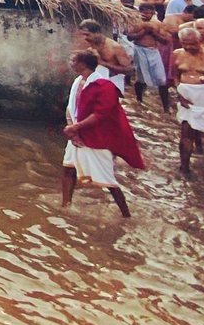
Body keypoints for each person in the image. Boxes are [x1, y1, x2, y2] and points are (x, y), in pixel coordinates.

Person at [61, 50, 145, 218]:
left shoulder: (105, 86)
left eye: (73, 60)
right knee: (68, 170)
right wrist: (73, 129)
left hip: (97, 139)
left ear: (82, 64)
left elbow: (101, 115)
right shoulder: (78, 81)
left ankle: (126, 216)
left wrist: (76, 128)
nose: (71, 63)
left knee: (109, 182)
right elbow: (71, 107)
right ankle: (65, 205)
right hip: (78, 135)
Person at [171, 25, 204, 175]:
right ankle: (184, 168)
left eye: (192, 43)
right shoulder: (177, 54)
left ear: (200, 40)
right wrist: (180, 96)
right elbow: (175, 77)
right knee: (186, 133)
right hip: (186, 97)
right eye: (185, 43)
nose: (188, 47)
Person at [126, 3, 171, 112]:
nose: (148, 15)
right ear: (140, 12)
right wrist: (143, 32)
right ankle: (139, 100)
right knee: (140, 77)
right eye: (145, 12)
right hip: (139, 50)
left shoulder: (157, 24)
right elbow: (130, 37)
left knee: (161, 79)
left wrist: (154, 33)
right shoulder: (135, 23)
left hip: (153, 51)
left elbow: (166, 40)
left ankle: (166, 107)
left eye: (151, 13)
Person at [77, 20, 131, 94]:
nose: (85, 38)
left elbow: (129, 70)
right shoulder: (89, 46)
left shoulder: (115, 47)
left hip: (114, 83)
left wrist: (102, 63)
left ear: (97, 33)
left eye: (87, 34)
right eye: (83, 35)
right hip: (96, 84)